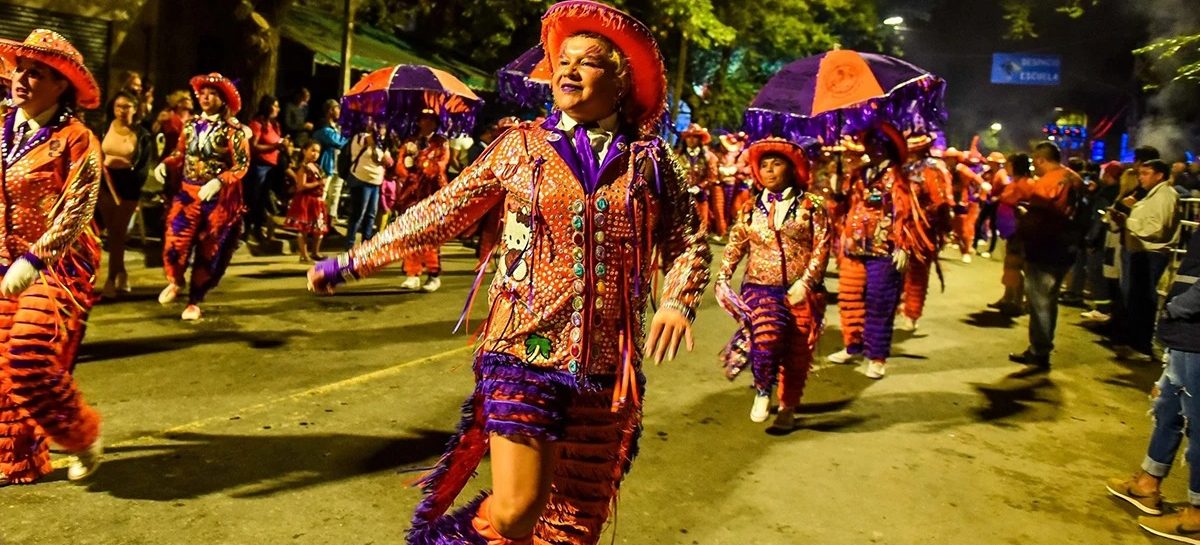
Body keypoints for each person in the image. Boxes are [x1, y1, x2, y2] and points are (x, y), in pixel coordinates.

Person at [307, 3, 710, 543]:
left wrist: (677, 299)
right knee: (517, 511)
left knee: (572, 526)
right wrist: (353, 261)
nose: (568, 70)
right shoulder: (518, 148)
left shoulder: (652, 162)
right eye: (563, 60)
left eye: (588, 62)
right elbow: (441, 210)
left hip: (609, 368)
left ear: (621, 82)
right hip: (522, 350)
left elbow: (688, 240)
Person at [0, 28, 106, 486]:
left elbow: (79, 207)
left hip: (58, 264)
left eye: (36, 72)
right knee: (3, 366)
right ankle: (17, 461)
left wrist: (37, 258)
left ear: (61, 84)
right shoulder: (3, 128)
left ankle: (82, 436)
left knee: (28, 354)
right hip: (4, 259)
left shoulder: (76, 139)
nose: (22, 79)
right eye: (20, 69)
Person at [715, 138, 829, 431]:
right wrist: (723, 276)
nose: (769, 171)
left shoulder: (812, 205)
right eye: (764, 165)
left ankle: (788, 406)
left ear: (792, 169)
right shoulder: (750, 207)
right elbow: (736, 243)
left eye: (776, 164)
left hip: (802, 291)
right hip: (759, 287)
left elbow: (822, 246)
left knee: (797, 354)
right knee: (766, 339)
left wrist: (807, 281)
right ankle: (763, 388)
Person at [1106, 228, 1200, 542]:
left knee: (1198, 426)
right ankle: (1147, 483)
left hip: (1195, 332)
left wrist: (1178, 308)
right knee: (1168, 407)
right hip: (1186, 334)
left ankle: (1197, 515)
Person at [826, 123, 933, 379]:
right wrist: (835, 189)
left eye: (878, 144)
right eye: (870, 142)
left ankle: (877, 356)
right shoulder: (857, 173)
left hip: (884, 249)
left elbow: (905, 213)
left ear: (889, 148)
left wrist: (904, 245)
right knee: (849, 298)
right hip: (854, 246)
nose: (872, 148)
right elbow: (843, 205)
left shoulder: (898, 177)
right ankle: (852, 346)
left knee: (879, 304)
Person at [154, 73, 250, 321]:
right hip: (188, 193)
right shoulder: (190, 125)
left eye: (213, 93)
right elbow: (180, 152)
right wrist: (166, 164)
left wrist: (219, 181)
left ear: (223, 98)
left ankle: (195, 299)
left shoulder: (234, 131)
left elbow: (242, 165)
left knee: (209, 249)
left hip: (216, 199)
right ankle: (175, 280)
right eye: (203, 93)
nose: (206, 97)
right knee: (175, 240)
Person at [1006, 141, 1084, 368]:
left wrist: (1023, 216)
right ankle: (1041, 347)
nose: (1034, 166)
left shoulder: (1046, 183)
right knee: (1050, 300)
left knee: (1040, 301)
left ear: (1041, 159)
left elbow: (1038, 219)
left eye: (1034, 161)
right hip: (1067, 247)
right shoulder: (1075, 179)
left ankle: (1039, 351)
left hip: (1045, 248)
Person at [1109, 159, 1180, 357]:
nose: (1140, 178)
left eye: (1146, 173)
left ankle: (1141, 346)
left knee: (1144, 301)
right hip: (1143, 251)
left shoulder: (1165, 196)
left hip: (1152, 253)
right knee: (1137, 299)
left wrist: (1128, 221)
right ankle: (1135, 343)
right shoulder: (1153, 195)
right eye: (1140, 173)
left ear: (1159, 175)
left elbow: (1157, 229)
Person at [98, 91, 154, 298]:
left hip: (128, 188)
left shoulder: (143, 135)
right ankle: (120, 274)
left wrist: (129, 175)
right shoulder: (105, 128)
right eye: (118, 106)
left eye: (126, 106)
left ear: (135, 108)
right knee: (113, 234)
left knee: (118, 234)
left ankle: (112, 279)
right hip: (105, 185)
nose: (122, 110)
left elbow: (143, 168)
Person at [898, 134, 951, 332]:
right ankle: (898, 305)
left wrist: (939, 223)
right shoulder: (899, 168)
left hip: (921, 231)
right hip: (897, 229)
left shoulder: (931, 170)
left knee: (917, 273)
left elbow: (940, 202)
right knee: (895, 272)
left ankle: (912, 312)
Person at [393, 110, 447, 292]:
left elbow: (439, 166)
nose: (425, 122)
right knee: (410, 235)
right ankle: (412, 273)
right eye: (422, 119)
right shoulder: (411, 141)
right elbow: (400, 165)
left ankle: (433, 275)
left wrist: (422, 161)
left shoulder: (441, 143)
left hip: (432, 195)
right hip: (410, 195)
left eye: (429, 120)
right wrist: (407, 166)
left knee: (430, 236)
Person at [988, 153, 1034, 315]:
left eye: (1008, 164)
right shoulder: (1016, 182)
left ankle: (1017, 301)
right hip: (1010, 230)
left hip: (1019, 232)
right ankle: (1008, 297)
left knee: (1015, 266)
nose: (1006, 167)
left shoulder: (1026, 184)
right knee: (1010, 266)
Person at [245, 95, 286, 241]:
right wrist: (274, 146)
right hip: (259, 166)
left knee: (263, 200)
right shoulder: (257, 124)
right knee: (254, 199)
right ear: (268, 106)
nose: (278, 109)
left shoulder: (274, 124)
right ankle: (246, 230)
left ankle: (257, 229)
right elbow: (253, 146)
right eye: (275, 105)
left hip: (272, 166)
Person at [285, 141, 327, 262]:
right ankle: (304, 255)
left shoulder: (316, 167)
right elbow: (301, 186)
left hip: (317, 201)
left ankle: (315, 252)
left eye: (318, 151)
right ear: (304, 151)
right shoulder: (303, 167)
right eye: (312, 150)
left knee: (319, 228)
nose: (315, 154)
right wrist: (318, 183)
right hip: (306, 201)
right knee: (303, 229)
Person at [677, 123, 719, 241]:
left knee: (701, 224)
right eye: (688, 137)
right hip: (683, 197)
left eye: (694, 136)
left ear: (699, 139)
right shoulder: (678, 156)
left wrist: (699, 187)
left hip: (700, 197)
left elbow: (712, 177)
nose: (690, 140)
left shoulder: (708, 157)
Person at [944, 147, 986, 263]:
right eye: (947, 158)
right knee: (953, 226)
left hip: (961, 201)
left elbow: (975, 177)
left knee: (962, 228)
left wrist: (983, 186)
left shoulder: (961, 169)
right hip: (950, 200)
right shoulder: (947, 170)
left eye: (950, 158)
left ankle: (966, 251)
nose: (947, 160)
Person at [311, 99, 348, 229]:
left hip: (338, 166)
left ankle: (330, 223)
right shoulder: (324, 128)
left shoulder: (337, 127)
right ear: (330, 111)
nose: (339, 111)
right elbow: (339, 142)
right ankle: (316, 222)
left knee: (335, 195)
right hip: (327, 166)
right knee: (323, 194)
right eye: (337, 108)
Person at [975, 151, 1009, 258]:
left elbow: (1006, 186)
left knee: (993, 226)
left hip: (996, 203)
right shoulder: (990, 172)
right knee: (979, 222)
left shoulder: (1001, 173)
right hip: (989, 201)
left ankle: (991, 250)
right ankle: (974, 245)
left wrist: (998, 197)